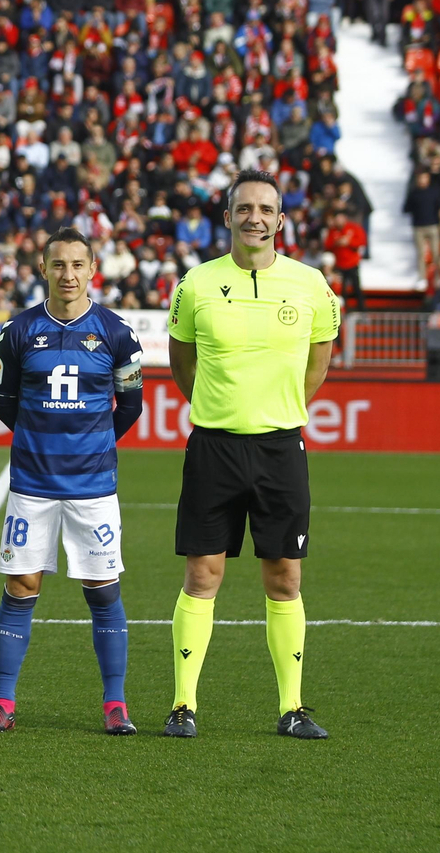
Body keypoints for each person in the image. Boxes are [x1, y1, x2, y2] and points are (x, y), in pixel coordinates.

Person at [164, 169, 340, 739]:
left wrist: (280, 409)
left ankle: (291, 707)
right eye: (244, 209)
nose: (255, 218)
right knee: (202, 573)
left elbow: (319, 361)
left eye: (266, 209)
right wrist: (219, 408)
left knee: (285, 578)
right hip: (213, 446)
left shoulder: (312, 285)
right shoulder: (195, 284)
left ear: (281, 219)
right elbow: (181, 361)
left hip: (280, 448)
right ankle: (183, 705)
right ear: (229, 218)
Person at [0, 228, 144, 735]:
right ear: (44, 269)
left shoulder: (118, 333)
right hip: (32, 483)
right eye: (58, 265)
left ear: (92, 268)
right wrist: (41, 437)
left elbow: (130, 404)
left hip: (93, 488)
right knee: (21, 585)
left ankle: (115, 704)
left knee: (102, 588)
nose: (68, 274)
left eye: (77, 265)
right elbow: (4, 401)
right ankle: (3, 702)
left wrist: (91, 442)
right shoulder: (19, 331)